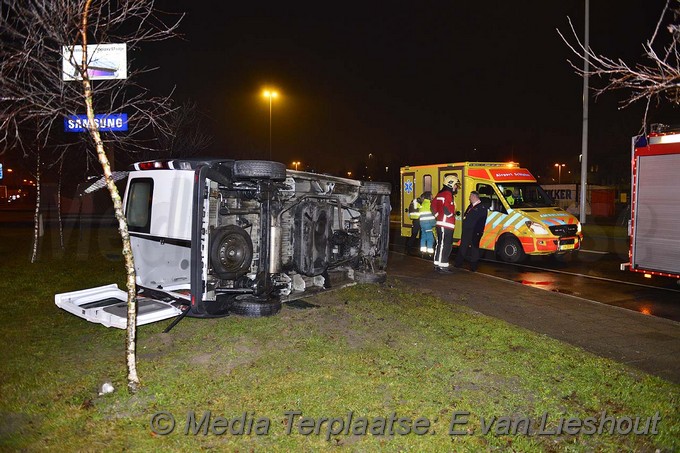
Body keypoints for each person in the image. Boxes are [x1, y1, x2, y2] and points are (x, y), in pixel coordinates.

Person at [431, 174, 460, 273]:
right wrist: (451, 215)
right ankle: (442, 266)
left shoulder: (440, 193)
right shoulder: (448, 194)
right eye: (456, 185)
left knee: (441, 244)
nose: (456, 187)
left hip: (442, 223)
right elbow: (446, 208)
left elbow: (433, 205)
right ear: (451, 184)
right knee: (445, 245)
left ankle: (438, 264)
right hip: (446, 224)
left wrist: (438, 215)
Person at [454, 190, 488, 272]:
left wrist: (478, 232)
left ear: (474, 197)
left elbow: (481, 221)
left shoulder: (481, 207)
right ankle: (458, 263)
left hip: (474, 231)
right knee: (463, 246)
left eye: (470, 196)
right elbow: (466, 215)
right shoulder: (471, 206)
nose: (469, 198)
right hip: (467, 231)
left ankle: (473, 267)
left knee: (474, 249)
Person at [418, 191, 435, 257]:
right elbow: (431, 216)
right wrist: (434, 223)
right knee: (430, 238)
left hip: (422, 224)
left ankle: (422, 251)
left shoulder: (422, 204)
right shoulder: (430, 204)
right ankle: (430, 253)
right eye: (431, 196)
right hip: (428, 224)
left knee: (423, 237)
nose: (432, 197)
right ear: (429, 196)